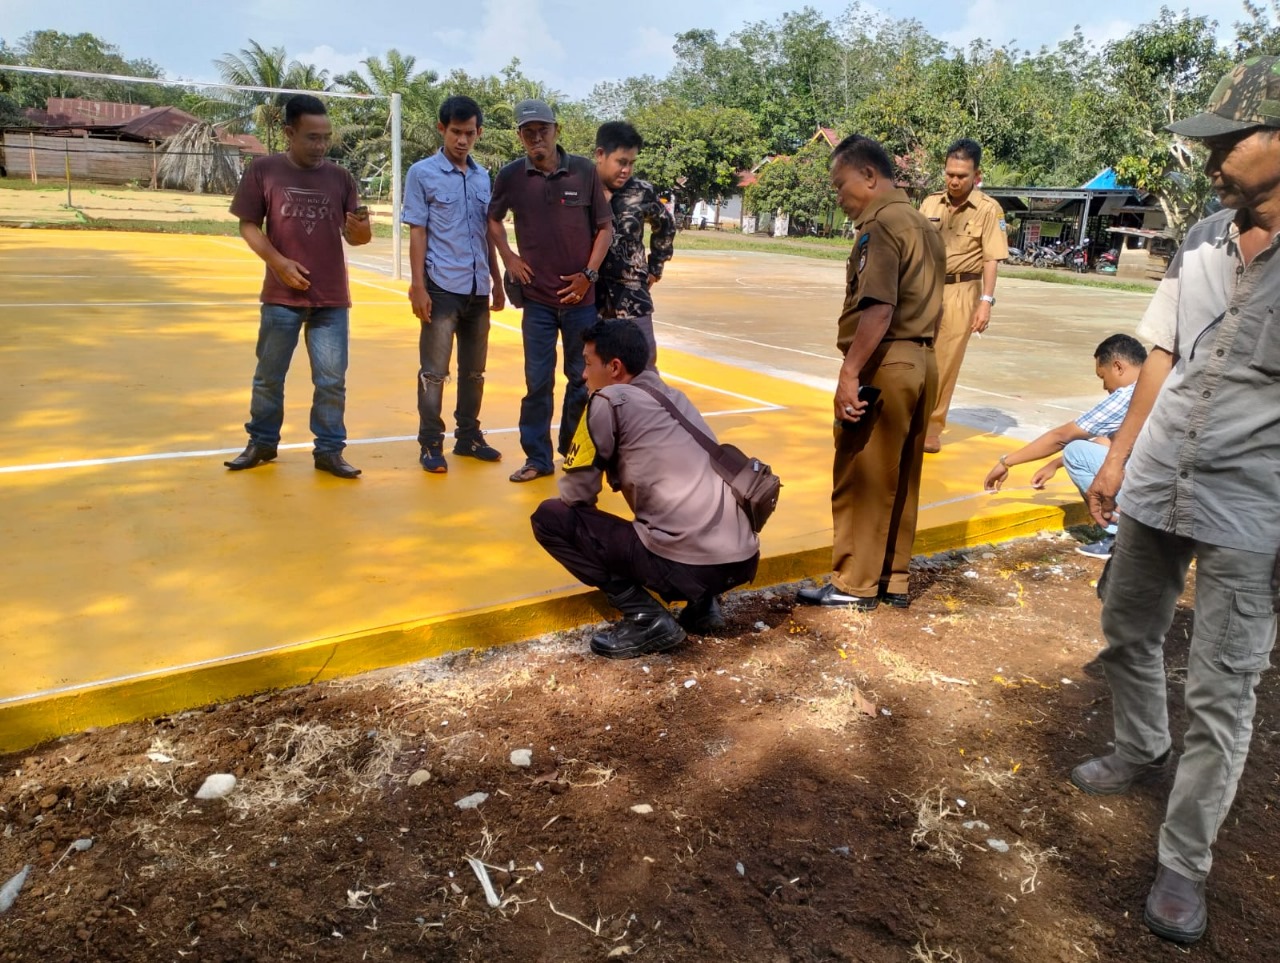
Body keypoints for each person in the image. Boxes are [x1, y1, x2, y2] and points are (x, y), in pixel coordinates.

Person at [1068, 57, 1280, 945]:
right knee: (1127, 624)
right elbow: (1159, 354)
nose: (1213, 157)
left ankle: (1183, 860)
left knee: (1225, 690)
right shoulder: (1197, 237)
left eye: (1230, 140)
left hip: (1251, 501)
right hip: (1159, 479)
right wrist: (1117, 459)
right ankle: (1142, 742)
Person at [531, 320, 760, 658]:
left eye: (588, 363)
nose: (582, 375)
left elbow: (576, 496)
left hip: (690, 565)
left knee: (550, 518)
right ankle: (703, 604)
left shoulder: (606, 400)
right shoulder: (675, 397)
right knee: (674, 506)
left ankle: (646, 618)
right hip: (742, 559)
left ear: (614, 368)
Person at [797, 134, 944, 611]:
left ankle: (853, 584)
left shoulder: (879, 227)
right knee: (902, 476)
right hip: (923, 360)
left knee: (862, 473)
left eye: (841, 187)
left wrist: (848, 373)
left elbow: (878, 309)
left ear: (869, 176)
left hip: (886, 360)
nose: (840, 199)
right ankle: (891, 578)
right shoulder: (924, 223)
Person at [225, 94, 371, 479]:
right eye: (311, 137)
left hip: (331, 299)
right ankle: (262, 443)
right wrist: (278, 262)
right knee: (269, 376)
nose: (321, 146)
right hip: (281, 297)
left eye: (326, 137)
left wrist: (362, 231)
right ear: (289, 132)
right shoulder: (264, 171)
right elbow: (248, 225)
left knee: (331, 380)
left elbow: (357, 237)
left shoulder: (340, 178)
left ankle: (329, 450)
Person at [488, 99, 613, 483]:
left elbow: (604, 229)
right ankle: (538, 458)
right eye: (528, 131)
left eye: (543, 129)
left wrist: (588, 275)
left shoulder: (584, 172)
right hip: (537, 301)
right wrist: (508, 256)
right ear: (520, 136)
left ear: (557, 130)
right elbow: (492, 220)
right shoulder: (511, 176)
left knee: (581, 379)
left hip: (581, 301)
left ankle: (573, 454)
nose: (536, 137)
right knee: (537, 382)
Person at [403, 95, 505, 474]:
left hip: (478, 288)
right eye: (456, 132)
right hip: (442, 287)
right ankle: (431, 443)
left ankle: (469, 437)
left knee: (475, 371)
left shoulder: (482, 177)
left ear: (478, 133)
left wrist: (497, 281)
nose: (463, 141)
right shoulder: (422, 173)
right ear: (441, 129)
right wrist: (418, 286)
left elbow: (486, 233)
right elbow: (418, 232)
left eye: (470, 133)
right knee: (434, 372)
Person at [982, 334, 1147, 559]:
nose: (1104, 386)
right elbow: (1111, 441)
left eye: (1103, 376)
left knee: (1074, 451)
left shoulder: (1129, 393)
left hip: (1156, 483)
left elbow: (1062, 436)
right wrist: (1055, 464)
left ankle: (1121, 538)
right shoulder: (1160, 384)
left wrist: (1006, 462)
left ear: (1118, 367)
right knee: (1081, 452)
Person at [918, 138, 1008, 453]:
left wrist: (986, 301)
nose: (955, 181)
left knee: (944, 361)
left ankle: (931, 428)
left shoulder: (988, 209)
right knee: (914, 354)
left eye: (962, 176)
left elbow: (991, 258)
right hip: (924, 287)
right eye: (950, 174)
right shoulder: (929, 204)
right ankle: (907, 419)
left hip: (962, 290)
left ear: (976, 175)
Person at [593, 121, 676, 366]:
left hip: (632, 297)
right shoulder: (581, 189)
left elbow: (666, 225)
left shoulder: (641, 192)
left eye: (631, 163)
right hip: (589, 298)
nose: (626, 170)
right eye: (621, 162)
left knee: (644, 368)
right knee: (590, 371)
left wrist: (655, 267)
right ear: (600, 155)